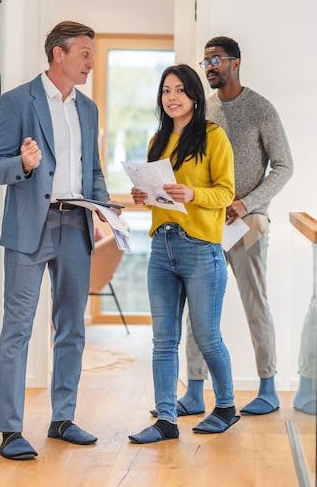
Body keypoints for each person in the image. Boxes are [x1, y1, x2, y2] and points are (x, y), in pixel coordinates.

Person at [0, 20, 113, 460]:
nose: (90, 62)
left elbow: (91, 171)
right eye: (84, 54)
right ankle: (10, 430)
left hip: (75, 225)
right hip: (29, 226)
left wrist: (104, 210)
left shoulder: (89, 109)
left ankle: (62, 418)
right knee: (18, 328)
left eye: (92, 55)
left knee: (72, 328)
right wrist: (21, 163)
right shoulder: (18, 101)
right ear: (57, 54)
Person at [178, 36, 294, 416]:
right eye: (206, 60)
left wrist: (247, 204)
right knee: (198, 309)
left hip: (248, 223)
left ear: (236, 63)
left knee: (254, 301)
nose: (210, 66)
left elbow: (283, 166)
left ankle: (268, 387)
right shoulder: (205, 111)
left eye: (217, 59)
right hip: (208, 222)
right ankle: (194, 391)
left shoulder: (261, 109)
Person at [127, 64, 239, 444]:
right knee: (163, 339)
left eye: (179, 90)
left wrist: (194, 194)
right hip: (163, 245)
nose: (171, 97)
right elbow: (159, 199)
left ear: (194, 95)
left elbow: (225, 192)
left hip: (201, 248)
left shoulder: (213, 136)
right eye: (165, 91)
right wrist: (144, 197)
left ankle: (225, 406)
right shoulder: (157, 140)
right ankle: (167, 421)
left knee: (207, 335)